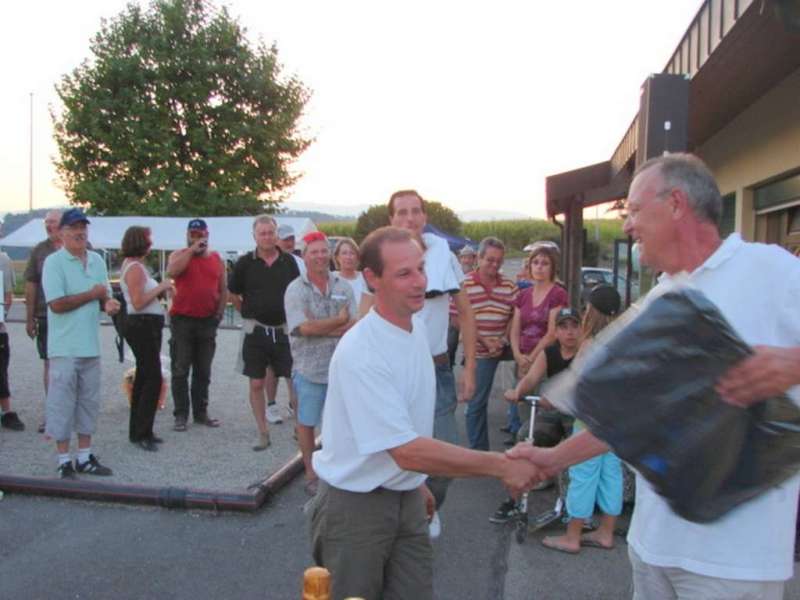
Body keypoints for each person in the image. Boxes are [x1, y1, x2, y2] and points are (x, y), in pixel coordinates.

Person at [510, 153, 800, 599]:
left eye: (635, 210)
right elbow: (631, 417)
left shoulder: (773, 271)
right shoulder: (659, 297)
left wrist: (792, 363)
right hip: (652, 549)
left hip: (734, 562)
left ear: (677, 203)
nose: (628, 226)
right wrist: (553, 459)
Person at [309, 226, 540, 600]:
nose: (420, 282)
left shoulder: (414, 329)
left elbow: (406, 428)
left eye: (420, 268)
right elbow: (405, 449)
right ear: (372, 278)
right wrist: (502, 465)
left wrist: (414, 484)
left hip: (404, 497)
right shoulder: (361, 352)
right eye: (404, 274)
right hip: (355, 508)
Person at [361, 190, 477, 519]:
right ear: (391, 219)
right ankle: (399, 522)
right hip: (392, 372)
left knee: (445, 459)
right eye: (401, 212)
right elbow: (367, 311)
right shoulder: (382, 258)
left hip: (436, 369)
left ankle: (427, 509)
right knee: (390, 454)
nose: (409, 218)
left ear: (424, 217)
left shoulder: (444, 256)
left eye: (415, 211)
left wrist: (469, 369)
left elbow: (466, 314)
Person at [538, 286, 623, 554]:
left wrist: (553, 398)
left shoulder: (590, 344)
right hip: (616, 423)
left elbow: (579, 386)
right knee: (612, 476)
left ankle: (572, 536)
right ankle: (606, 532)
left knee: (583, 476)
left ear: (592, 311)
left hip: (590, 422)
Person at [41, 208, 120, 478]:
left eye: (83, 227)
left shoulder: (97, 260)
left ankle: (85, 456)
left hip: (90, 346)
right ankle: (64, 459)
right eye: (74, 228)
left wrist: (108, 302)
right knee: (61, 403)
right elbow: (57, 304)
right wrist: (93, 294)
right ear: (61, 233)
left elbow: (103, 295)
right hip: (64, 347)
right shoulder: (54, 263)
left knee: (88, 402)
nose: (80, 232)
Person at [490, 306, 582, 524]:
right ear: (556, 332)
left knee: (574, 451)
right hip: (552, 412)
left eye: (574, 327)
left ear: (581, 329)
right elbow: (531, 379)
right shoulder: (549, 353)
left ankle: (574, 507)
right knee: (524, 439)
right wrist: (518, 391)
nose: (569, 332)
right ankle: (514, 501)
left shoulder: (585, 352)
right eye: (564, 327)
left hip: (577, 415)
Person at [284, 231, 356, 494]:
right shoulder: (295, 289)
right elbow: (303, 329)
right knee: (307, 422)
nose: (320, 256)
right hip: (309, 370)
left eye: (324, 250)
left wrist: (321, 327)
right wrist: (337, 321)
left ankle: (338, 469)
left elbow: (353, 325)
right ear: (304, 256)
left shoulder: (343, 287)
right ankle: (311, 473)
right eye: (314, 252)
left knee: (340, 423)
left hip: (340, 369)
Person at [229, 215, 300, 450]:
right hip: (255, 332)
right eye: (263, 233)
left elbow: (297, 295)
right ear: (255, 236)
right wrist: (248, 314)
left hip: (284, 331)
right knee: (257, 383)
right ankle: (263, 432)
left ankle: (300, 429)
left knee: (295, 381)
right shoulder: (244, 264)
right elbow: (233, 294)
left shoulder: (289, 262)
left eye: (271, 232)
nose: (267, 237)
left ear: (276, 234)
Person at [167, 218, 227, 432]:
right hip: (182, 320)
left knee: (204, 370)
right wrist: (192, 250)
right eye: (193, 234)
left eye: (200, 234)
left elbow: (223, 288)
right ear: (188, 235)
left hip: (207, 321)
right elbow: (172, 272)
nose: (197, 237)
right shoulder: (179, 255)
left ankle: (201, 413)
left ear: (207, 234)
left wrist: (219, 313)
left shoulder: (216, 258)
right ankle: (181, 414)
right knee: (181, 368)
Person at [506, 242, 568, 442]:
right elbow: (515, 327)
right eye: (536, 263)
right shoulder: (523, 295)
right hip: (522, 358)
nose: (539, 267)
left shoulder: (558, 294)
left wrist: (531, 359)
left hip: (544, 360)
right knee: (522, 405)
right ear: (530, 266)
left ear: (552, 268)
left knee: (542, 414)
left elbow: (552, 333)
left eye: (545, 263)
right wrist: (517, 354)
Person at [119, 226, 173, 452]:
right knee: (151, 378)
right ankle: (142, 432)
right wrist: (162, 286)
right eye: (149, 240)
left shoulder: (135, 267)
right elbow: (138, 301)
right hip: (142, 325)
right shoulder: (135, 269)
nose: (151, 245)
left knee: (144, 376)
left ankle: (141, 430)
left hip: (145, 324)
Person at [462, 236, 518, 451]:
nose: (495, 265)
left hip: (504, 346)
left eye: (499, 261)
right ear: (479, 258)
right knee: (476, 404)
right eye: (490, 260)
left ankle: (520, 434)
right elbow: (458, 319)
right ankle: (479, 452)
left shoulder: (509, 285)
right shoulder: (465, 284)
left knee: (523, 389)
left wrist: (503, 340)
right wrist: (485, 340)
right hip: (478, 351)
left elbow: (516, 316)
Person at [23, 209, 62, 433]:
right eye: (46, 223)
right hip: (46, 315)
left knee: (74, 363)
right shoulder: (39, 251)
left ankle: (71, 411)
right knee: (50, 363)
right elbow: (30, 284)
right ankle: (52, 413)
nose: (49, 226)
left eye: (53, 222)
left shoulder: (79, 246)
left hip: (73, 316)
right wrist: (29, 318)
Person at [264, 222, 304, 424]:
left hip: (294, 321)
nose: (289, 242)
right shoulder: (268, 261)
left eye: (291, 239)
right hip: (273, 322)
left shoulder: (299, 262)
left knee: (292, 365)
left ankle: (293, 404)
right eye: (285, 239)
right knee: (272, 367)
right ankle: (271, 405)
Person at [0, 246, 22, 430]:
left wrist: (2, 313)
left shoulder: (3, 260)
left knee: (1, 371)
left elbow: (7, 297)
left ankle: (7, 412)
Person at [332, 237, 367, 309]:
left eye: (352, 253)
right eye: (344, 253)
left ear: (357, 257)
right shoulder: (329, 278)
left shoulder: (365, 279)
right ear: (337, 257)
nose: (348, 257)